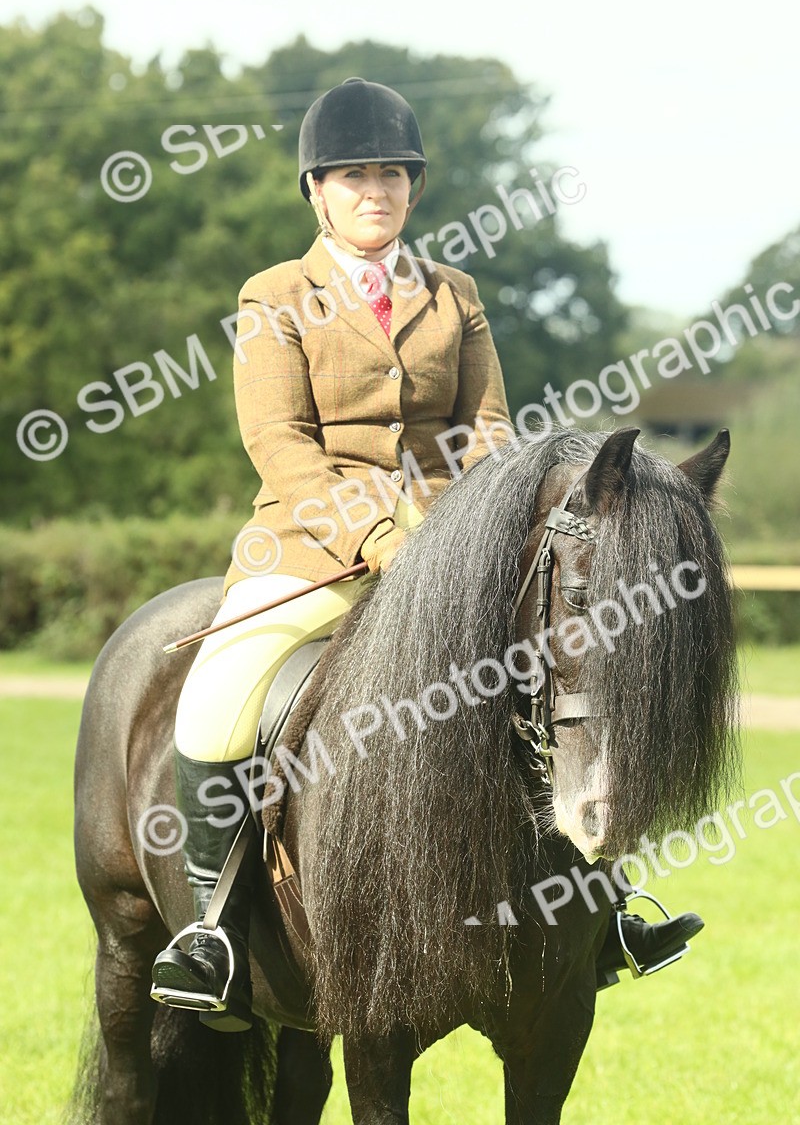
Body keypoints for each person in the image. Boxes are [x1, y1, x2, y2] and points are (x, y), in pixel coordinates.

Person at [151, 77, 701, 1031]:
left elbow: (486, 434)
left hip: (452, 558)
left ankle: (604, 906)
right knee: (212, 707)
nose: (376, 191)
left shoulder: (455, 296)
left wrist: (461, 545)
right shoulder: (274, 296)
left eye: (393, 175)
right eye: (355, 174)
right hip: (311, 550)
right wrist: (374, 538)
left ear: (413, 188)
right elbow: (280, 442)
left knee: (563, 680)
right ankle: (214, 930)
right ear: (317, 191)